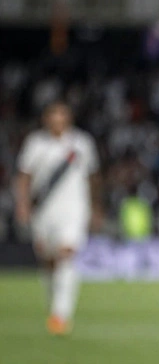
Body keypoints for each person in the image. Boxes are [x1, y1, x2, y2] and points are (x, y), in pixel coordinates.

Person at [14, 101, 102, 335]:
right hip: (43, 211)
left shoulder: (82, 143)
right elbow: (24, 176)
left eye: (62, 116)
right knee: (48, 261)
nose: (57, 121)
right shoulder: (35, 143)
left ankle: (61, 314)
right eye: (53, 116)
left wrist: (96, 208)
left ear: (68, 118)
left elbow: (93, 178)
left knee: (66, 254)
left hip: (74, 209)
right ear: (46, 119)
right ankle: (54, 304)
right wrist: (23, 204)